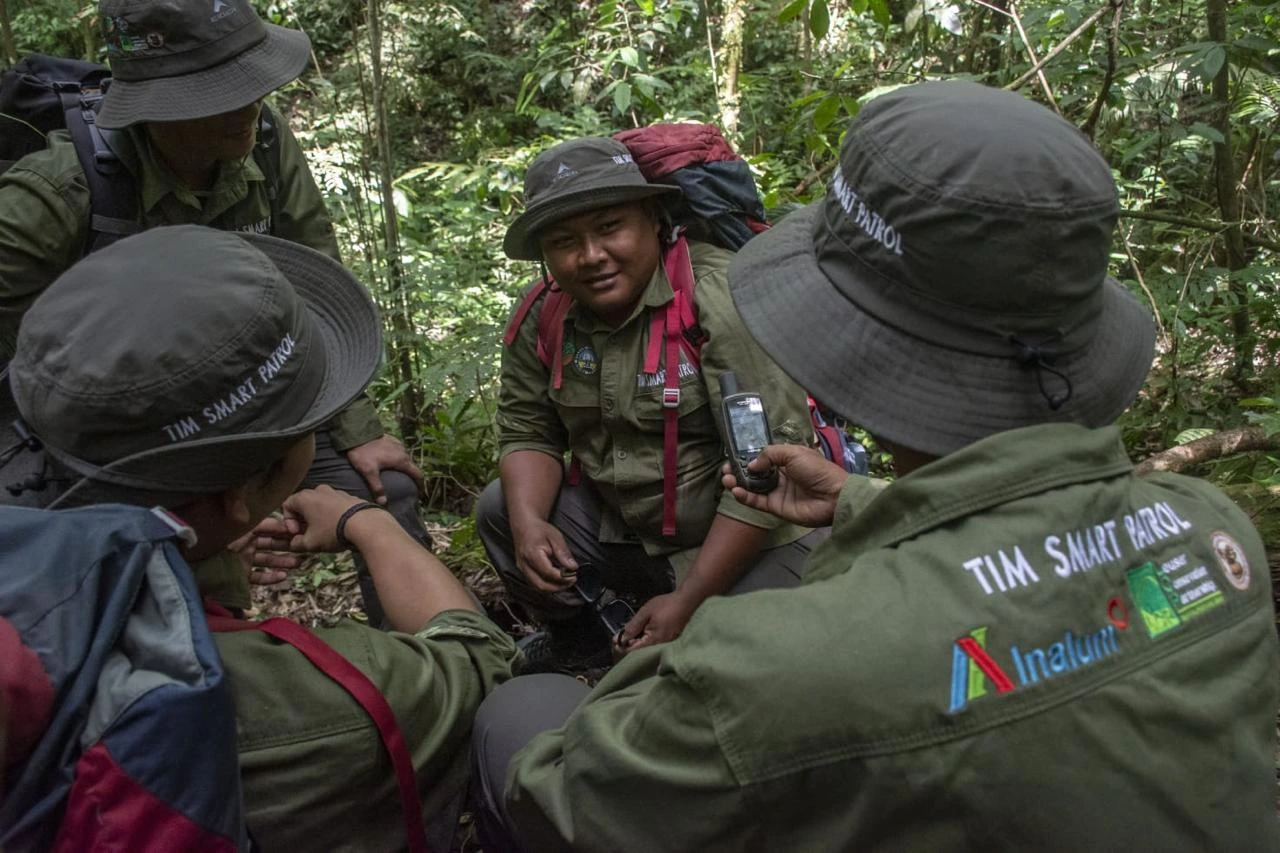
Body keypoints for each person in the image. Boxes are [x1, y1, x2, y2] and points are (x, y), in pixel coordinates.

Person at [470, 82, 1280, 851]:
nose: (587, 255)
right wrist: (862, 497)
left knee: (520, 710)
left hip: (722, 602)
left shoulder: (799, 658)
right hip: (665, 541)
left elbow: (567, 794)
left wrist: (621, 684)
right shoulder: (1213, 534)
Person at [5, 225, 515, 850]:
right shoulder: (296, 699)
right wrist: (368, 523)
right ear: (246, 491)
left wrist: (200, 557)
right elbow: (481, 663)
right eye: (313, 419)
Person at [0, 0, 424, 623]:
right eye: (220, 92)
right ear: (152, 105)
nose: (250, 104)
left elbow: (317, 284)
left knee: (389, 492)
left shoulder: (265, 143)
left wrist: (358, 426)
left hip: (247, 405)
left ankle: (421, 678)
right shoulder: (62, 191)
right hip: (120, 441)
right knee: (192, 577)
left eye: (254, 83)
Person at [481, 135, 826, 672]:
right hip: (625, 528)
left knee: (746, 667)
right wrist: (529, 525)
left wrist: (688, 602)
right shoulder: (543, 317)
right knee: (501, 508)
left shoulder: (718, 296)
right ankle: (586, 642)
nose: (590, 256)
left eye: (609, 228)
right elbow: (529, 429)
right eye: (565, 240)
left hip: (750, 534)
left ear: (654, 219)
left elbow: (767, 476)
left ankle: (685, 619)